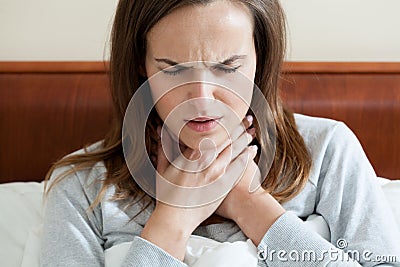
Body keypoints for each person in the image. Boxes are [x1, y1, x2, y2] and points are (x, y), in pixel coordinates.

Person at [39, 0, 400, 266]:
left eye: (227, 67)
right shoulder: (80, 186)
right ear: (141, 67)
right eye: (174, 70)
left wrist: (252, 206)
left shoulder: (327, 151)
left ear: (260, 59)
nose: (201, 99)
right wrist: (173, 219)